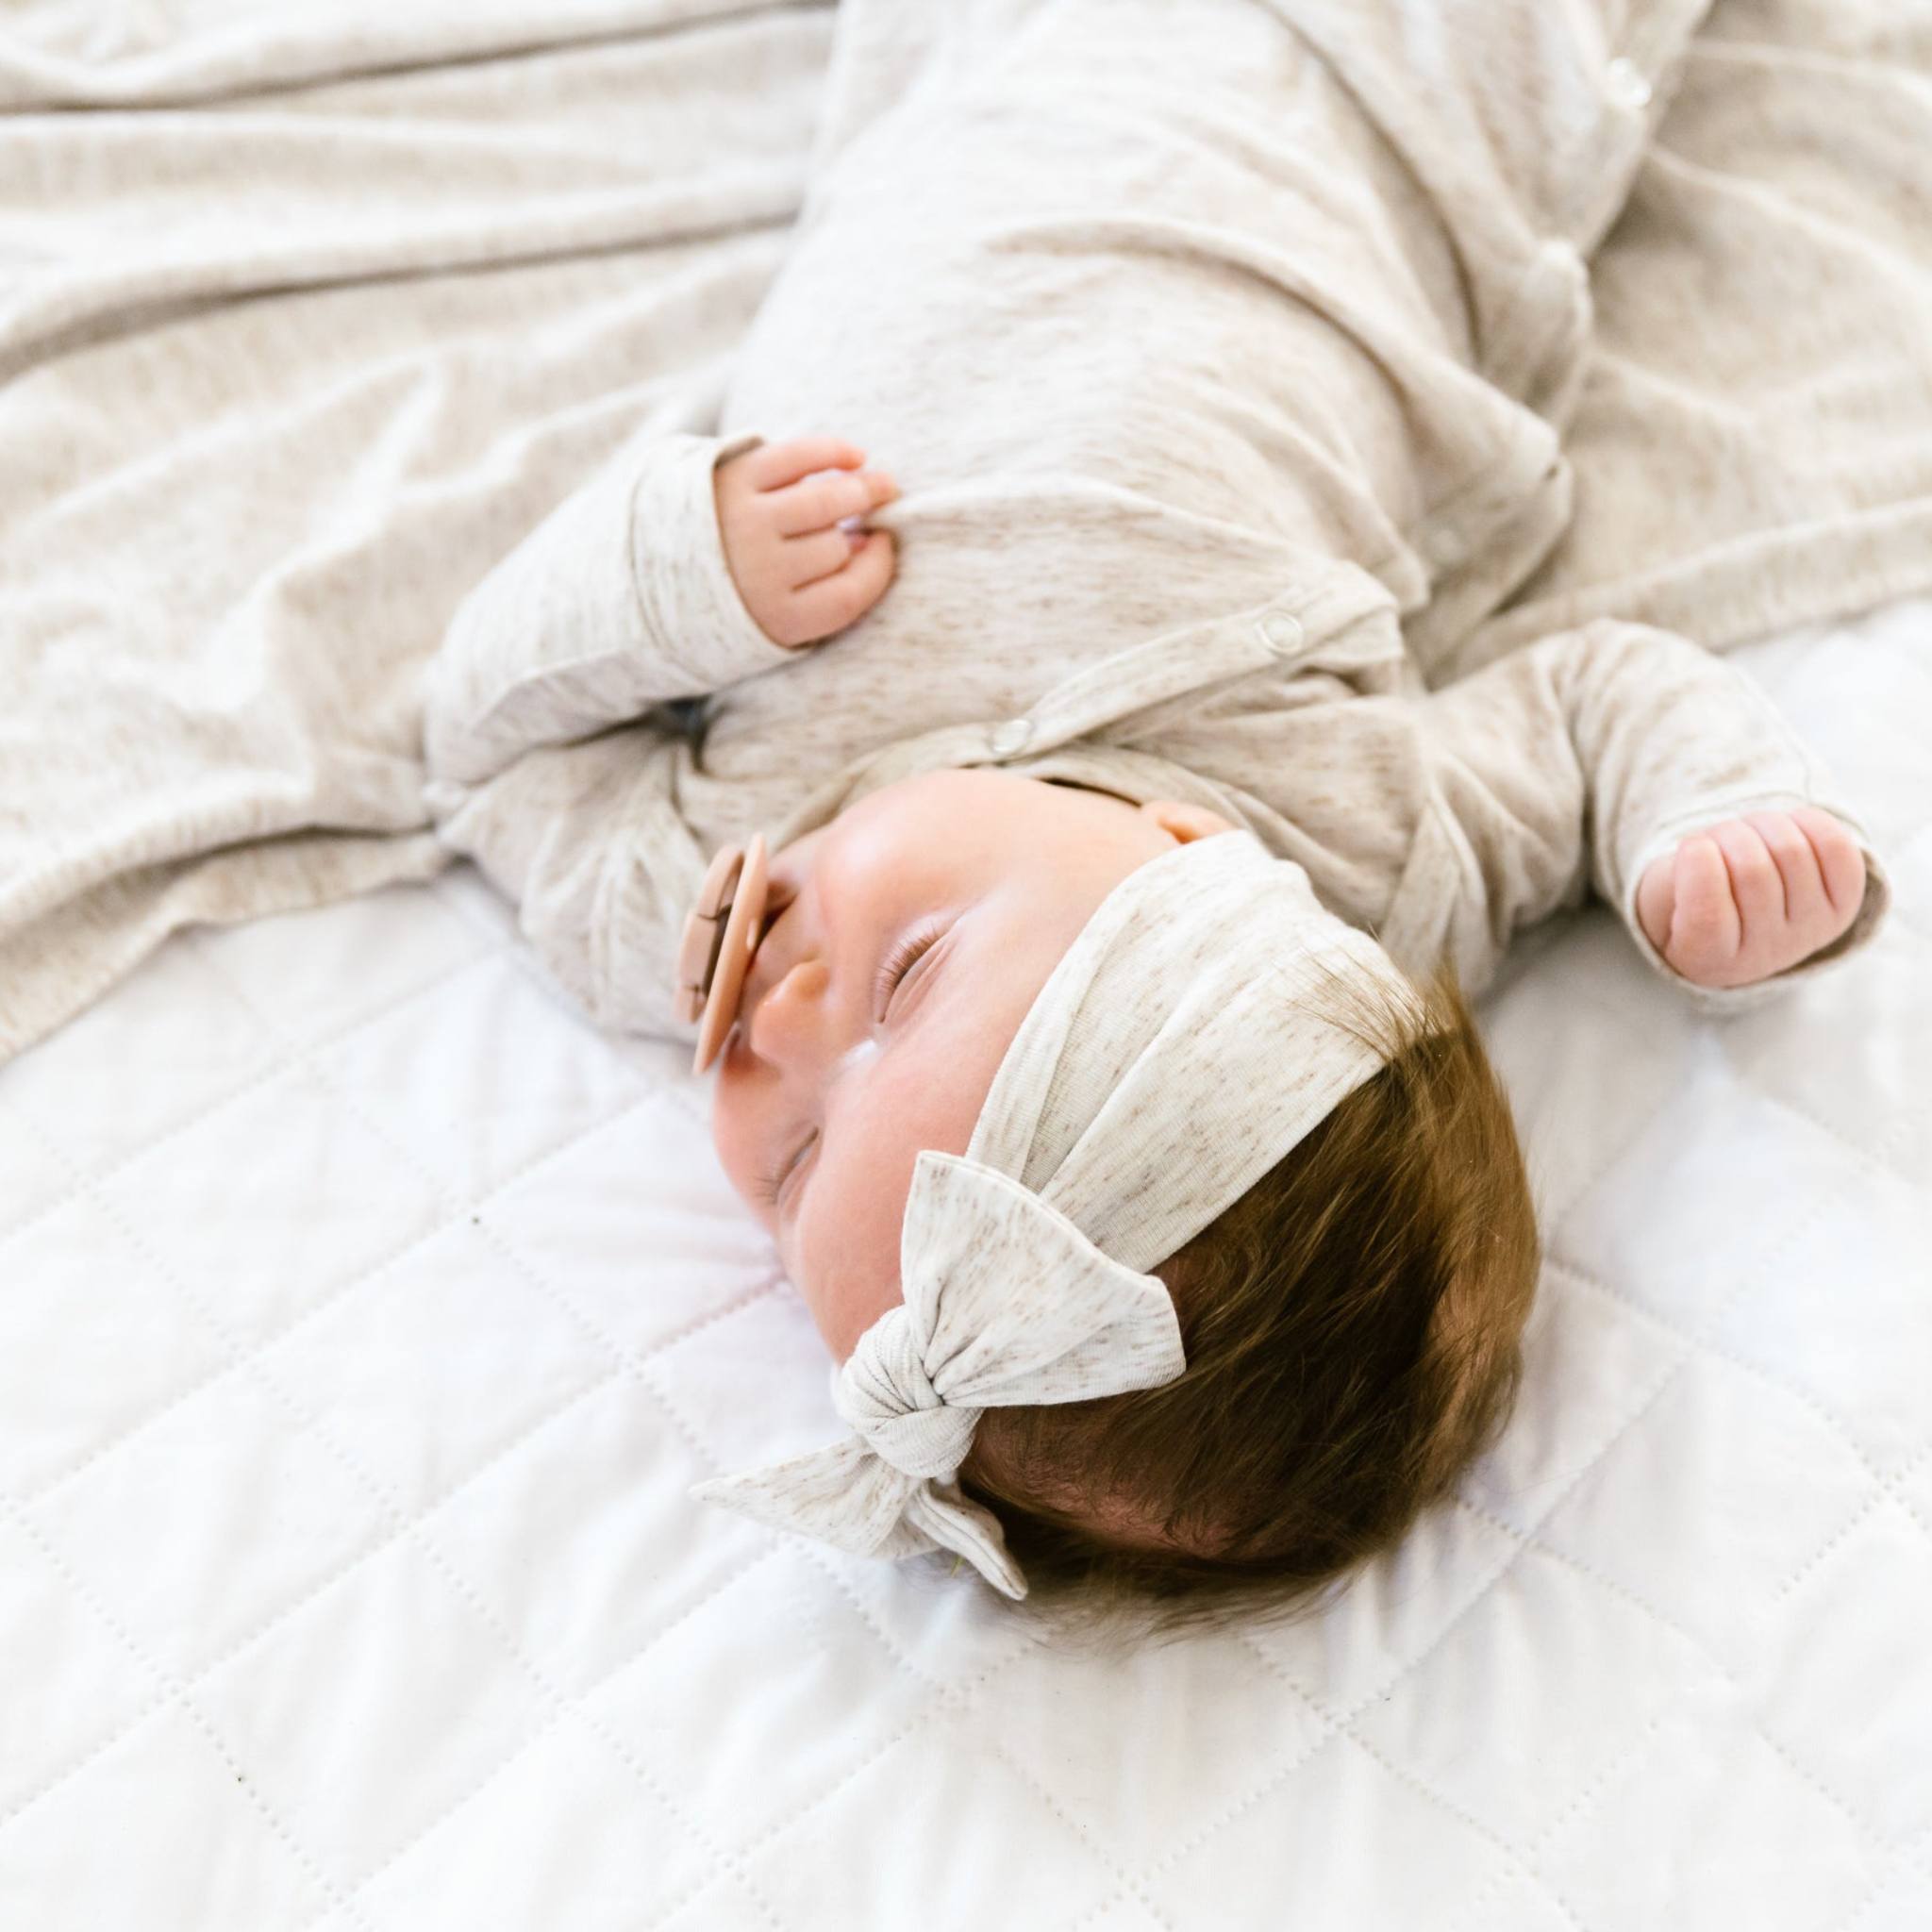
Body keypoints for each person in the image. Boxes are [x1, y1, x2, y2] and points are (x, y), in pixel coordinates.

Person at [421, 0, 1894, 1628]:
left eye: (793, 1165)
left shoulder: (707, 891)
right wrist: (1700, 820)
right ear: (1196, 855)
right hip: (1356, 113)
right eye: (906, 979)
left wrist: (661, 577)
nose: (779, 1017)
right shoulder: (1362, 842)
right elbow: (1592, 699)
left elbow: (482, 758)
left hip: (1001, 77)